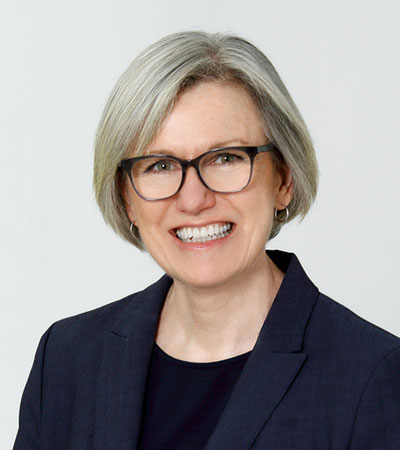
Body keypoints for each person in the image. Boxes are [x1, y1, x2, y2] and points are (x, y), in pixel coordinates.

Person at [14, 31, 400, 450]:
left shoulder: (371, 376)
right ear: (127, 199)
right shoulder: (66, 361)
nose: (194, 199)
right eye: (160, 165)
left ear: (283, 180)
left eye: (226, 158)